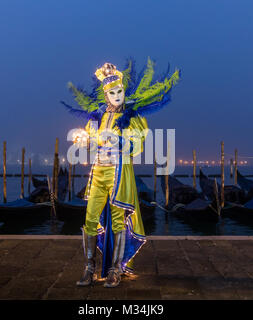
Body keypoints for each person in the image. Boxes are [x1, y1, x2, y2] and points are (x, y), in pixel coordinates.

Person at [62, 58, 180, 288]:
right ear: (105, 95)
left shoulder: (132, 118)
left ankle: (115, 270)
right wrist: (83, 140)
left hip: (118, 174)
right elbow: (89, 142)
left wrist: (118, 140)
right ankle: (89, 268)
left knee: (118, 220)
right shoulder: (97, 117)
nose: (117, 95)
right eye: (112, 92)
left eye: (120, 91)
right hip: (98, 173)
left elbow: (138, 143)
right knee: (90, 219)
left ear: (124, 91)